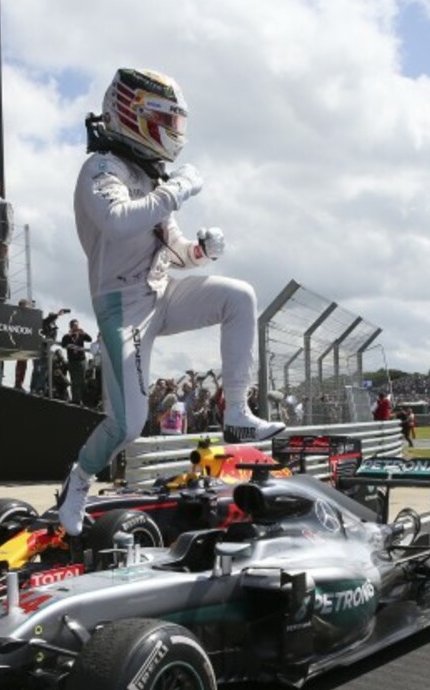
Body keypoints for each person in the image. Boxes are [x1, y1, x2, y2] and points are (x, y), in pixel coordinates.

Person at [58, 68, 285, 543]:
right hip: (123, 305)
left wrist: (202, 251)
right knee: (128, 424)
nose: (175, 134)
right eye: (168, 122)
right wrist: (177, 189)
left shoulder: (147, 176)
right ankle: (78, 479)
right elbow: (118, 221)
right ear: (136, 115)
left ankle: (237, 414)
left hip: (160, 292)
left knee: (239, 295)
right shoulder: (100, 169)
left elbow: (176, 251)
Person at [61, 318, 93, 405]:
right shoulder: (67, 336)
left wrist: (84, 333)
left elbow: (90, 339)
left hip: (81, 361)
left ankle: (85, 400)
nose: (76, 328)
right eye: (74, 326)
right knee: (74, 381)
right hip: (72, 361)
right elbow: (63, 344)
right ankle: (76, 400)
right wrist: (69, 335)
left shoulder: (81, 335)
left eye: (77, 326)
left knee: (83, 381)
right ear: (71, 327)